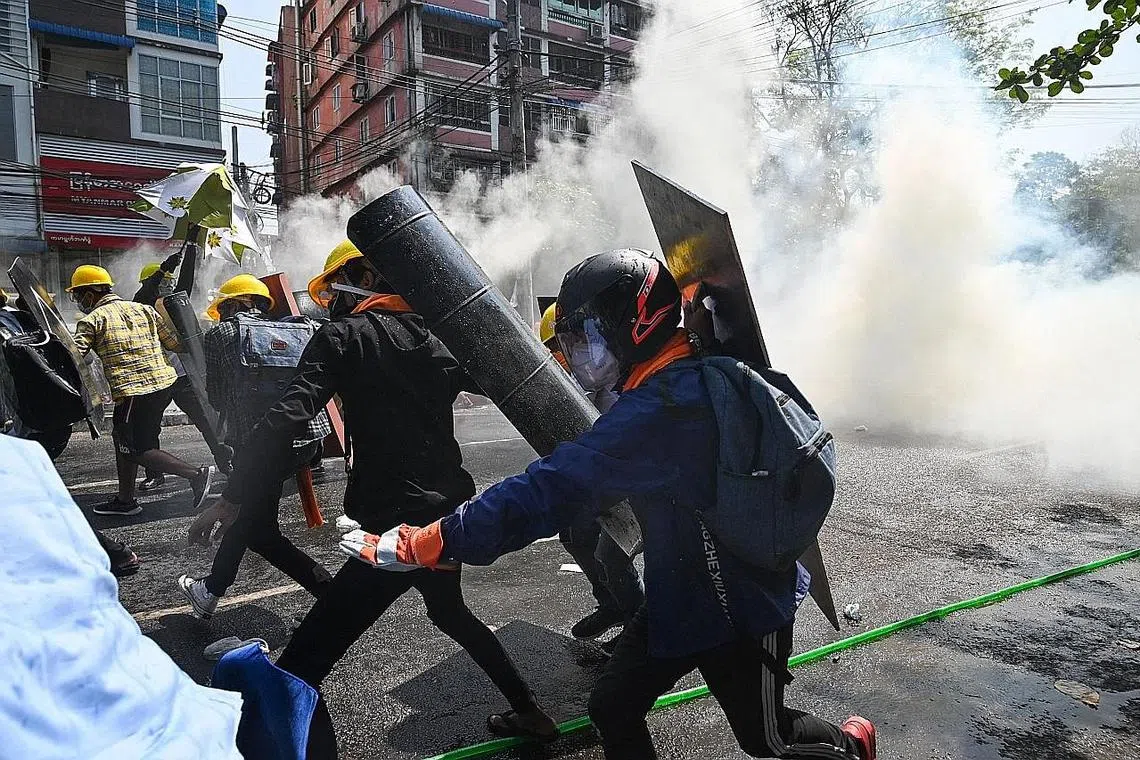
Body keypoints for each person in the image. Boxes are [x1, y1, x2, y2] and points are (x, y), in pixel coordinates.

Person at [344, 250, 878, 760]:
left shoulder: (668, 406)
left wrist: (430, 540)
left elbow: (554, 486)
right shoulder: (675, 374)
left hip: (740, 605)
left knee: (766, 738)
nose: (579, 352)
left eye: (588, 336)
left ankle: (853, 746)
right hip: (677, 595)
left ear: (636, 325)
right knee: (613, 707)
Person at [189, 240, 556, 755]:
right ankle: (530, 711)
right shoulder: (439, 338)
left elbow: (286, 419)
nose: (333, 303)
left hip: (393, 532)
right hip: (444, 519)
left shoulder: (343, 336)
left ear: (363, 278)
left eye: (336, 290)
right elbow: (510, 380)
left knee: (303, 663)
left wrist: (233, 495)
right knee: (449, 614)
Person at [0, 433, 242, 758]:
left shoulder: (17, 461)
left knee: (132, 441)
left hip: (129, 725)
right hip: (177, 727)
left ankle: (185, 493)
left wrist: (232, 497)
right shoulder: (21, 459)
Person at [177, 274, 333, 619]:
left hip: (260, 444)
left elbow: (217, 397)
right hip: (305, 439)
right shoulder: (300, 329)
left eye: (223, 307)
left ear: (233, 304)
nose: (221, 314)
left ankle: (334, 596)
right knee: (258, 527)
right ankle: (212, 589)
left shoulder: (222, 333)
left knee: (253, 522)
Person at [537, 302, 644, 646]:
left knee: (611, 556)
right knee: (574, 534)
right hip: (601, 476)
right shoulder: (590, 372)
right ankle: (612, 605)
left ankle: (638, 629)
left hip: (634, 480)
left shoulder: (612, 369)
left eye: (562, 348)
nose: (559, 358)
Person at [68, 264, 214, 516]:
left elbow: (74, 356)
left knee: (135, 448)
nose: (78, 302)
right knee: (124, 439)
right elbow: (174, 344)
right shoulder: (145, 310)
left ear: (89, 294)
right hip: (163, 385)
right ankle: (125, 500)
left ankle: (196, 475)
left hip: (133, 390)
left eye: (78, 296)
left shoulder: (92, 321)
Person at [133, 252, 233, 491]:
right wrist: (162, 269)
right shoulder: (141, 306)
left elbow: (185, 282)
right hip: (156, 377)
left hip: (184, 377)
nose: (169, 285)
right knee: (149, 428)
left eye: (170, 280)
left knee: (207, 422)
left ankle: (227, 465)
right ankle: (155, 474)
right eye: (164, 281)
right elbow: (144, 294)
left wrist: (191, 252)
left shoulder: (174, 304)